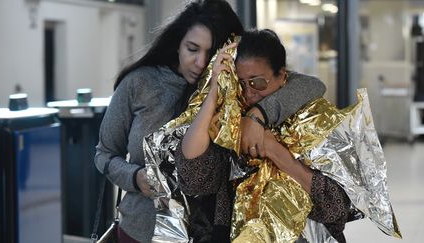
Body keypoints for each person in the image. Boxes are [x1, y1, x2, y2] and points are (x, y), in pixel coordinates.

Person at [175, 29, 351, 243]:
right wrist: (214, 91)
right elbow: (194, 179)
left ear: (282, 76)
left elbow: (336, 207)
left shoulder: (313, 119)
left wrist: (274, 149)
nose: (249, 93)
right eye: (241, 83)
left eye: (257, 83)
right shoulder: (231, 123)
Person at [94, 1, 244, 242]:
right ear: (177, 44)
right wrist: (135, 177)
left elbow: (306, 86)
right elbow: (104, 154)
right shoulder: (139, 83)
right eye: (192, 49)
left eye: (211, 53)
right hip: (142, 229)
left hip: (212, 232)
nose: (200, 63)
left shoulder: (237, 89)